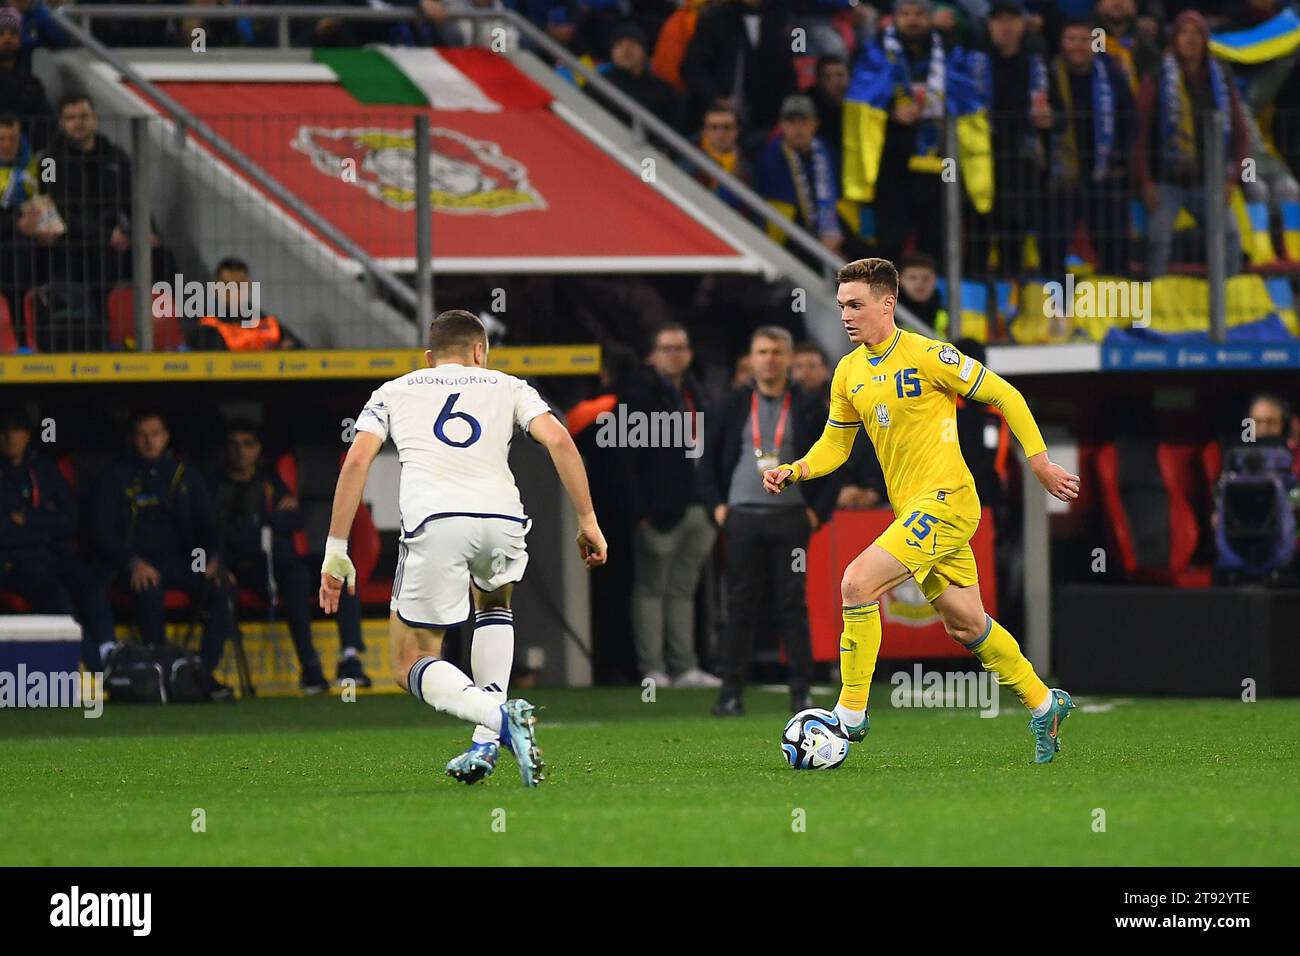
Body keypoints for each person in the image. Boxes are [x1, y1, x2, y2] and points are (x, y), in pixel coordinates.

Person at [763, 258, 1081, 764]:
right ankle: (1046, 704)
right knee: (965, 624)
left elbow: (1006, 393)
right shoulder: (847, 372)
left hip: (949, 501)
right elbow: (836, 447)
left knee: (856, 583)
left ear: (887, 304)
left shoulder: (928, 354)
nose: (845, 315)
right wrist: (796, 469)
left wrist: (1039, 463)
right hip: (912, 509)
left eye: (856, 305)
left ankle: (849, 714)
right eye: (842, 305)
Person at [318, 309, 608, 788]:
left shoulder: (395, 390)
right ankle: (486, 738)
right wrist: (588, 519)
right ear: (481, 351)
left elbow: (356, 461)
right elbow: (559, 440)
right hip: (503, 519)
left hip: (437, 522)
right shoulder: (508, 385)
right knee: (494, 604)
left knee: (408, 661)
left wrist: (336, 546)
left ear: (430, 358)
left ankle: (497, 720)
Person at [697, 325, 840, 716]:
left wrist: (816, 513)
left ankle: (801, 693)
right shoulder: (731, 404)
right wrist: (718, 508)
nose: (770, 359)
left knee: (792, 604)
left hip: (792, 517)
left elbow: (835, 460)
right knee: (739, 604)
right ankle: (730, 693)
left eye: (777, 352)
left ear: (790, 358)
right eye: (762, 352)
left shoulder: (810, 405)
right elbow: (704, 460)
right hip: (742, 517)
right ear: (752, 358)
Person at [92, 409, 234, 699]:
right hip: (133, 568)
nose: (149, 442)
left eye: (155, 434)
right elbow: (101, 532)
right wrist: (132, 563)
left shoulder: (183, 474)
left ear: (166, 437)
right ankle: (161, 673)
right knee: (150, 590)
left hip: (181, 563)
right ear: (133, 439)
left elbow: (208, 524)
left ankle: (200, 675)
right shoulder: (116, 476)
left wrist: (213, 559)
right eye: (143, 435)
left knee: (222, 587)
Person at [624, 322, 719, 689]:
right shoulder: (638, 396)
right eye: (667, 348)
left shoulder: (699, 393)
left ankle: (684, 667)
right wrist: (639, 513)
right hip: (659, 510)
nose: (675, 354)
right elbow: (625, 463)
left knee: (683, 586)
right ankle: (652, 668)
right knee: (651, 587)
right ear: (652, 355)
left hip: (699, 505)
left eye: (680, 347)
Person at [212, 420, 331, 695]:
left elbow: (296, 519)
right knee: (292, 576)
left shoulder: (267, 480)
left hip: (276, 564)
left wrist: (260, 521)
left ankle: (332, 663)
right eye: (234, 445)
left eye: (248, 444)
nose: (241, 451)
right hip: (238, 567)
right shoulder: (216, 484)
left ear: (258, 449)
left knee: (320, 573)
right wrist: (264, 523)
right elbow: (220, 531)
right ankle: (205, 674)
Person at [0, 406, 115, 670]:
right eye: (4, 432)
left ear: (28, 435)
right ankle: (99, 668)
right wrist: (41, 521)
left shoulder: (44, 468)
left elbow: (68, 522)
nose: (10, 438)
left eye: (16, 431)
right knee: (57, 598)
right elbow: (5, 532)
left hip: (53, 555)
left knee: (89, 585)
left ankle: (112, 654)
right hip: (15, 562)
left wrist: (28, 519)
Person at [1135, 10, 1246, 279]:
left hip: (1208, 181)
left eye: (1198, 33)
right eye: (1184, 32)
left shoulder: (1221, 77)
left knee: (1231, 236)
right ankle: (1153, 305)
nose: (1191, 39)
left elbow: (1242, 133)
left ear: (1206, 40)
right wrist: (1145, 182)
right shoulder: (1157, 76)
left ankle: (1226, 304)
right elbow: (1138, 134)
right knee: (1159, 241)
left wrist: (1233, 178)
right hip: (1165, 180)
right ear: (1174, 39)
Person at [1038, 18, 1137, 278]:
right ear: (1062, 43)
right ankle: (1058, 307)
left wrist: (1121, 158)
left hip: (1105, 173)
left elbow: (1130, 118)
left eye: (1085, 40)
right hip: (1061, 178)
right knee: (1053, 244)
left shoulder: (1112, 74)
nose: (1078, 46)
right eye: (1071, 39)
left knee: (1113, 243)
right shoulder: (1046, 75)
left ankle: (1114, 307)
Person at [755, 94, 843, 261]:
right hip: (789, 242)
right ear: (782, 125)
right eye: (791, 122)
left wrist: (834, 234)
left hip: (831, 238)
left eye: (803, 121)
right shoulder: (771, 158)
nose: (797, 128)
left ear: (814, 124)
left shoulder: (827, 153)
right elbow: (785, 210)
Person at [190, 257, 304, 350]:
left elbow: (299, 348)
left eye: (239, 286)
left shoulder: (265, 321)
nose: (234, 293)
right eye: (227, 287)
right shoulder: (207, 326)